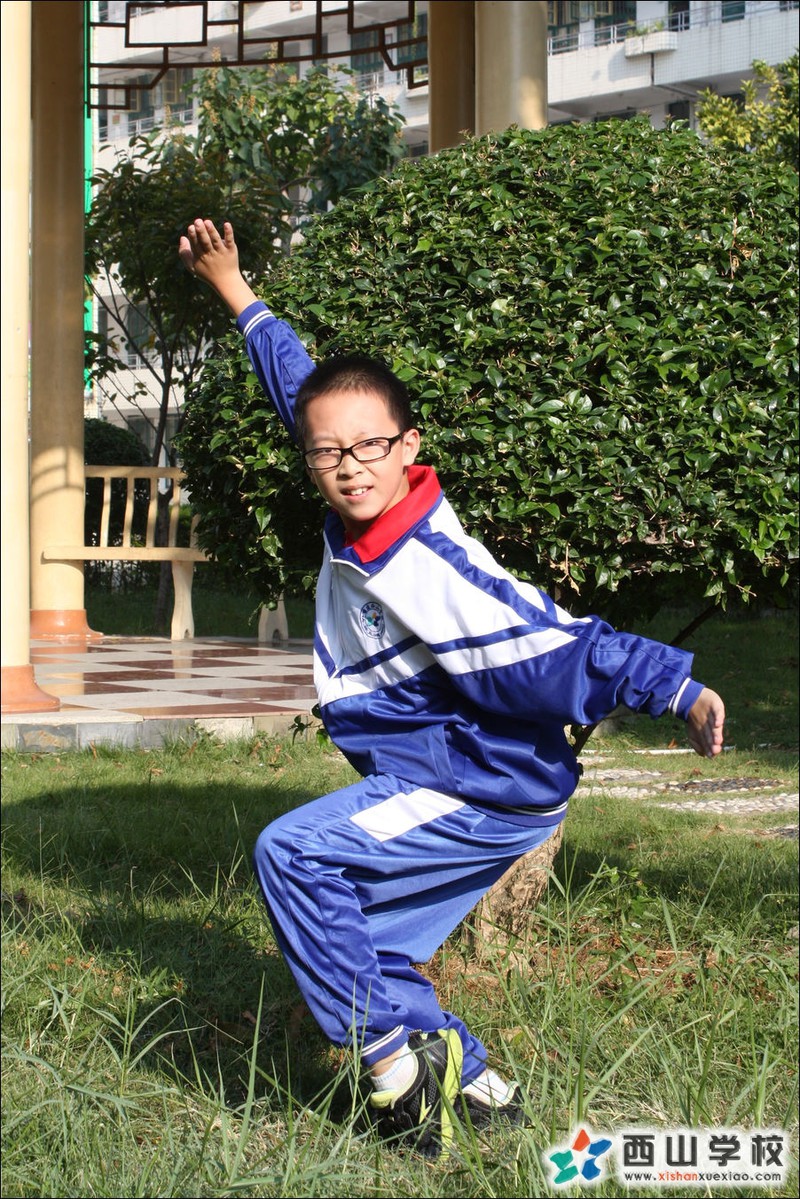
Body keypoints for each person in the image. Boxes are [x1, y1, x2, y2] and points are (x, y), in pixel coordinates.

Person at [179, 217, 726, 1157]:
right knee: (369, 941)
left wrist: (673, 686)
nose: (348, 465)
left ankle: (395, 1075)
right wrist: (236, 291)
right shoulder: (363, 497)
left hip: (479, 781)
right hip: (454, 772)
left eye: (368, 447)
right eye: (326, 452)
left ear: (409, 447)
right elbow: (304, 393)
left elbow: (554, 644)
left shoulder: (425, 561)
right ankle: (478, 1089)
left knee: (294, 856)